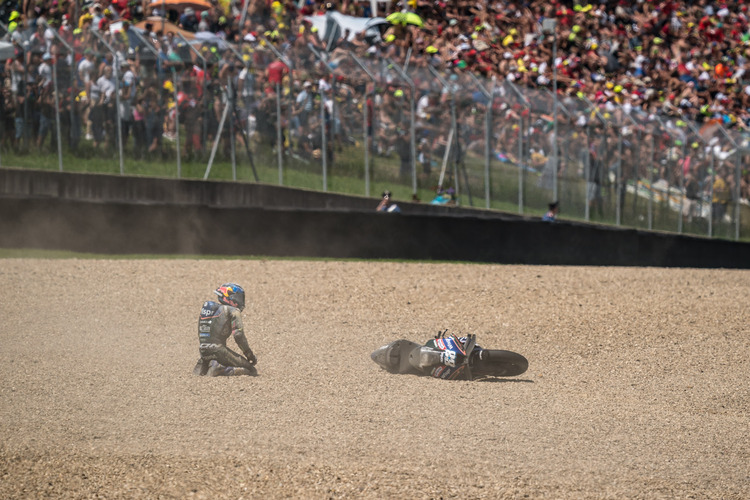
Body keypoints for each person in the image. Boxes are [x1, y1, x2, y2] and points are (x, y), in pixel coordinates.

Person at [193, 283, 258, 377]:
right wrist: (249, 354)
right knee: (252, 370)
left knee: (198, 373)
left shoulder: (207, 310)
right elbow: (238, 335)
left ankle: (211, 364)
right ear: (230, 297)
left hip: (203, 351)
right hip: (219, 351)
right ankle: (222, 369)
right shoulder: (233, 311)